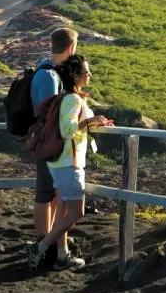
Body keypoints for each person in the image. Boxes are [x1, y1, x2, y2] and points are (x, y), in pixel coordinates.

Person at [28, 54, 112, 271]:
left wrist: (92, 123)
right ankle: (42, 247)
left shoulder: (65, 97)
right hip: (69, 163)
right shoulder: (73, 100)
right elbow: (67, 130)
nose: (89, 75)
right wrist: (90, 121)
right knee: (76, 213)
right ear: (75, 76)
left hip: (59, 164)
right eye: (86, 73)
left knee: (63, 212)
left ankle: (62, 256)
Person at [29, 27, 77, 251]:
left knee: (52, 191)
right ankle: (43, 240)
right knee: (46, 191)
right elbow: (49, 112)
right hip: (49, 141)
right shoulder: (49, 74)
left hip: (49, 140)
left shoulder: (47, 70)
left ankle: (50, 237)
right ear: (71, 47)